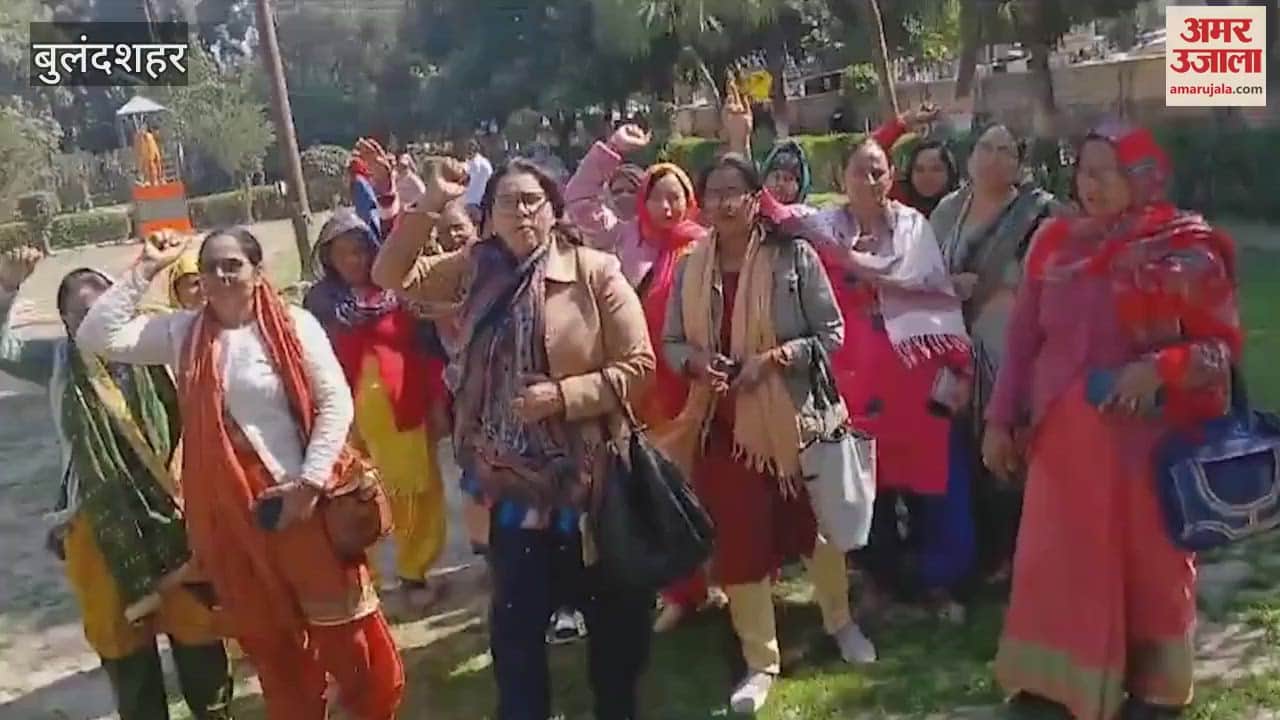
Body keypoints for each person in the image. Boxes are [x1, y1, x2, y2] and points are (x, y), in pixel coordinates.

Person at [76, 229, 405, 720]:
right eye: (210, 267)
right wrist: (147, 265)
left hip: (302, 503)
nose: (222, 275)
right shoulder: (181, 333)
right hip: (233, 518)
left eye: (233, 264)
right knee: (274, 648)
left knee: (351, 642)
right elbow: (95, 335)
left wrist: (310, 484)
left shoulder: (294, 325)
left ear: (257, 271)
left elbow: (335, 402)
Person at [372, 158, 656, 720]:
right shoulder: (473, 270)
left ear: (553, 209)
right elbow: (389, 273)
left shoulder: (595, 271)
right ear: (489, 215)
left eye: (533, 200)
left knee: (614, 635)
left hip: (590, 485)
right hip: (510, 495)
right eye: (509, 201)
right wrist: (429, 204)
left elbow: (640, 366)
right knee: (517, 635)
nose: (522, 211)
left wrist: (564, 396)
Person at [982, 121, 1240, 720]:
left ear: (1142, 177)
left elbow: (1220, 349)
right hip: (1061, 449)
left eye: (1107, 171)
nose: (1090, 184)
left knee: (1150, 573)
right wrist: (999, 421)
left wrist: (1161, 368)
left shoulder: (1185, 249)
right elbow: (1022, 343)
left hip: (1148, 452)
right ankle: (1056, 684)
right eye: (1084, 170)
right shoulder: (1055, 243)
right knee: (1057, 566)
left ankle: (1153, 689)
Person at [661, 154, 876, 714]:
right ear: (701, 203)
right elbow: (673, 342)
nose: (723, 203)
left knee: (818, 529)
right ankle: (761, 662)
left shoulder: (794, 256)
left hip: (794, 422)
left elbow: (831, 333)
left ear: (757, 199)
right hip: (723, 429)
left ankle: (841, 622)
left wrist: (779, 357)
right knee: (740, 544)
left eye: (735, 191)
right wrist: (694, 365)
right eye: (713, 193)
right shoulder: (690, 265)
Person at [0, 248, 233, 720]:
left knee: (199, 636)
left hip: (175, 512)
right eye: (79, 314)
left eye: (100, 307)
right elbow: (4, 350)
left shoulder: (153, 339)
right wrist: (7, 290)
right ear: (65, 322)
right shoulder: (57, 362)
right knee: (125, 649)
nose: (91, 321)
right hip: (100, 523)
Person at [780, 138, 975, 621]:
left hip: (917, 378)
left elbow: (938, 297)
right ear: (839, 179)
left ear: (891, 177)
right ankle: (878, 583)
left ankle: (937, 585)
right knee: (867, 490)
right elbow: (770, 213)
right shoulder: (822, 234)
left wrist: (958, 370)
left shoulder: (914, 228)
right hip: (855, 383)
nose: (871, 181)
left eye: (879, 171)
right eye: (860, 171)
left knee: (934, 487)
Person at [565, 122, 715, 632]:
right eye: (659, 198)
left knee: (709, 480)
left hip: (697, 381)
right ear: (644, 202)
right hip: (645, 386)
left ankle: (725, 577)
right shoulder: (624, 240)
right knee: (660, 483)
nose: (668, 208)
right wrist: (615, 150)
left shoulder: (707, 243)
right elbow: (580, 197)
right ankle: (681, 590)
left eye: (677, 198)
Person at [930, 124, 1057, 587]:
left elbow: (1052, 278)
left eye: (1006, 150)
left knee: (1008, 446)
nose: (993, 158)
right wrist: (949, 286)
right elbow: (923, 269)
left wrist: (996, 286)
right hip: (953, 346)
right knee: (963, 445)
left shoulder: (1039, 214)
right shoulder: (948, 210)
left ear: (1019, 163)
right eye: (986, 147)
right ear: (970, 157)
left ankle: (1018, 555)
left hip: (1010, 345)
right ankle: (979, 552)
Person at [304, 208, 449, 612]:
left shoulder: (402, 293)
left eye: (363, 251)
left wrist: (439, 402)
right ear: (328, 258)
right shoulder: (319, 302)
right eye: (345, 253)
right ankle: (367, 578)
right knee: (354, 498)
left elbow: (428, 348)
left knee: (415, 492)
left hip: (403, 405)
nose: (356, 260)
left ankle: (414, 571)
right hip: (344, 415)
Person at [898, 139, 959, 216]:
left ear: (950, 172)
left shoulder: (963, 210)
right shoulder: (899, 212)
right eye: (919, 170)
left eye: (936, 169)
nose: (927, 177)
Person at [463, 138, 494, 218]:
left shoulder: (482, 164)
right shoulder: (466, 163)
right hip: (470, 203)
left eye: (470, 148)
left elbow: (490, 182)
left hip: (476, 203)